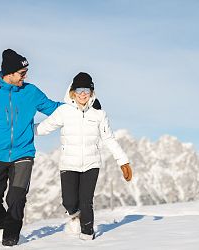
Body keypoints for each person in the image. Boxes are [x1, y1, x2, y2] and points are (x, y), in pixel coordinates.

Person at [0, 49, 63, 246]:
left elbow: (53, 108)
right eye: (22, 72)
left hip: (23, 154)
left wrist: (80, 105)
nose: (25, 76)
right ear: (9, 73)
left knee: (17, 198)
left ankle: (11, 237)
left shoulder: (31, 92)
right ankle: (2, 225)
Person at [34, 72, 133, 240]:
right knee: (70, 202)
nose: (82, 94)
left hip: (91, 163)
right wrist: (19, 129)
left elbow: (109, 138)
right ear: (72, 92)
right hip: (68, 164)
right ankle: (74, 217)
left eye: (86, 90)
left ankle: (87, 235)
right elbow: (43, 128)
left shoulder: (99, 114)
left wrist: (123, 161)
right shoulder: (63, 111)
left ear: (91, 92)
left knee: (86, 201)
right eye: (79, 90)